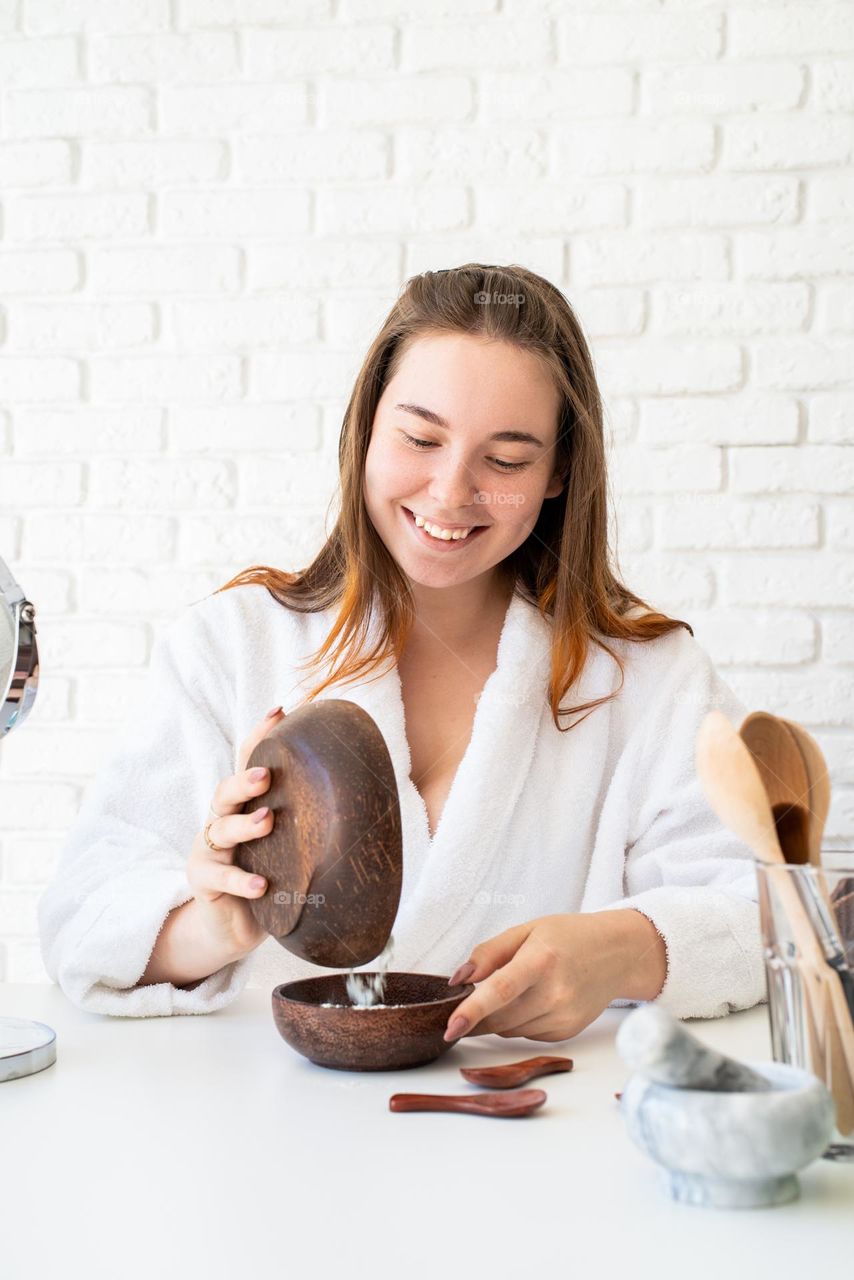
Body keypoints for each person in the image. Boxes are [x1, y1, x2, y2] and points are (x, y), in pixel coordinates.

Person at [37, 263, 766, 1034]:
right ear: (366, 431)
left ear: (559, 473)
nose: (452, 492)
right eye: (420, 438)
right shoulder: (231, 647)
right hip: (269, 1135)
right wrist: (220, 923)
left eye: (508, 459)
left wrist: (621, 948)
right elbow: (82, 924)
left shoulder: (650, 681)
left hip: (542, 1132)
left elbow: (773, 912)